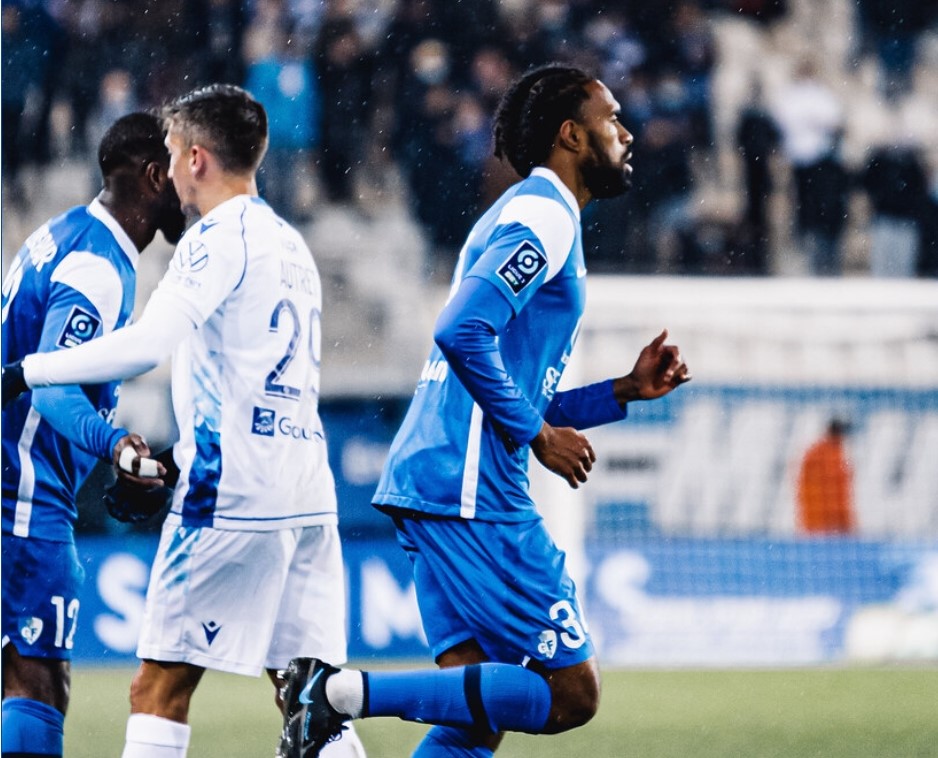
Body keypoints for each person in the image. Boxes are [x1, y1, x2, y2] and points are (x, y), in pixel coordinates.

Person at [277, 63, 692, 758]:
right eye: (612, 119)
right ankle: (336, 694)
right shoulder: (544, 216)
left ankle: (337, 695)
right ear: (571, 135)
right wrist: (538, 436)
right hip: (470, 486)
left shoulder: (523, 214)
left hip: (435, 475)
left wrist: (620, 391)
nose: (627, 133)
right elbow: (461, 330)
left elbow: (507, 385)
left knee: (475, 716)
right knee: (570, 693)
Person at [2, 84, 364, 758]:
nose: (167, 172)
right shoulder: (289, 243)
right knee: (312, 700)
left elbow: (148, 343)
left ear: (195, 159)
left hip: (229, 495)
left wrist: (28, 371)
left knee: (157, 689)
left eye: (172, 154)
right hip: (307, 493)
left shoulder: (214, 238)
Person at [1, 112, 185, 758]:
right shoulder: (99, 266)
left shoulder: (60, 233)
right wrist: (116, 444)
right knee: (37, 678)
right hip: (23, 491)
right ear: (154, 176)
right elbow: (50, 384)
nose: (190, 188)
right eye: (180, 170)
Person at [796, 418, 856, 534]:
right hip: (825, 524)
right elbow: (835, 495)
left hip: (818, 523)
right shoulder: (831, 455)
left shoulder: (817, 452)